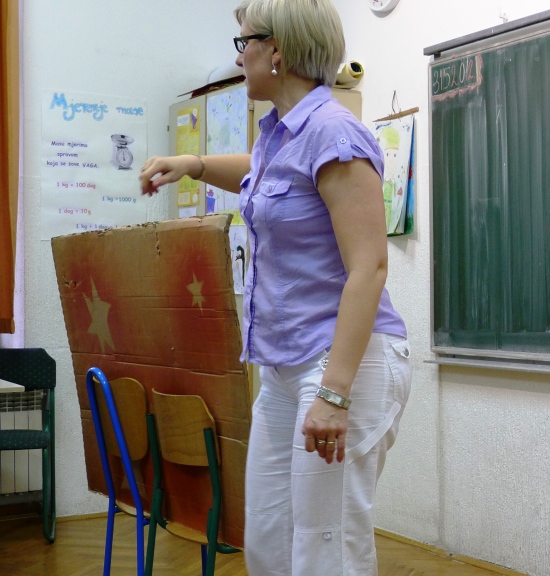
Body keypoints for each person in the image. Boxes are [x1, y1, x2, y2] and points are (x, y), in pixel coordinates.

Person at [138, 1, 411, 574]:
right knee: (267, 540)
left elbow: (369, 268)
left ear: (278, 48)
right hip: (286, 367)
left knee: (325, 548)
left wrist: (334, 394)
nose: (239, 57)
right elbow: (259, 174)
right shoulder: (279, 135)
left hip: (343, 364)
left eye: (245, 43)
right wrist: (192, 163)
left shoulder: (335, 131)